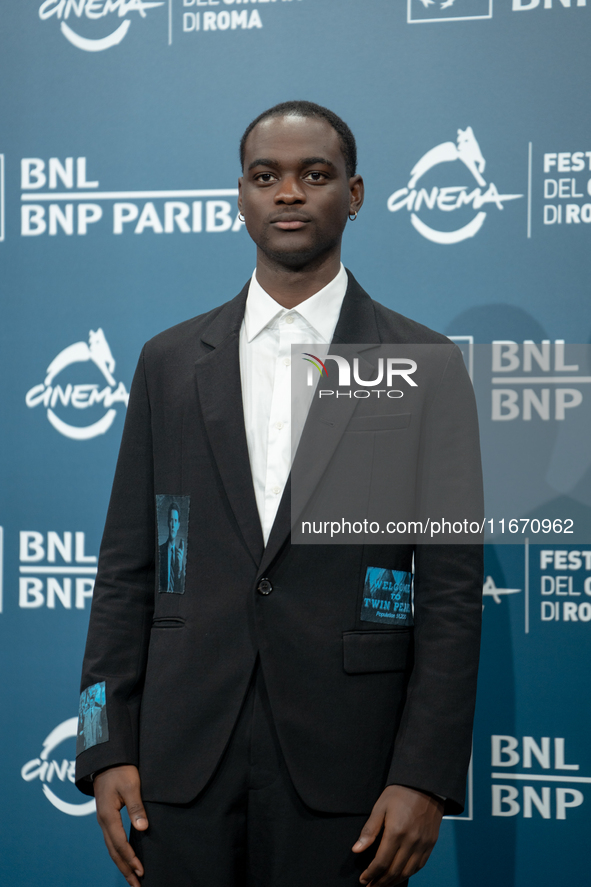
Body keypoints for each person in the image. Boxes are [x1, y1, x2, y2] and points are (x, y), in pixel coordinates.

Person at [76, 101, 483, 887]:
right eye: (267, 176)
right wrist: (102, 742)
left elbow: (451, 595)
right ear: (240, 196)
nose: (288, 193)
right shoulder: (167, 362)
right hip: (178, 763)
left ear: (355, 195)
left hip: (349, 769)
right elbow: (123, 569)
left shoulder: (423, 364)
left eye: (314, 174)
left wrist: (425, 775)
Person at [158, 501, 185, 594]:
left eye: (175, 521)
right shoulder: (159, 551)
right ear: (168, 522)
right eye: (171, 520)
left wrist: (180, 568)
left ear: (178, 525)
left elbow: (181, 589)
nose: (173, 525)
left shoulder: (180, 557)